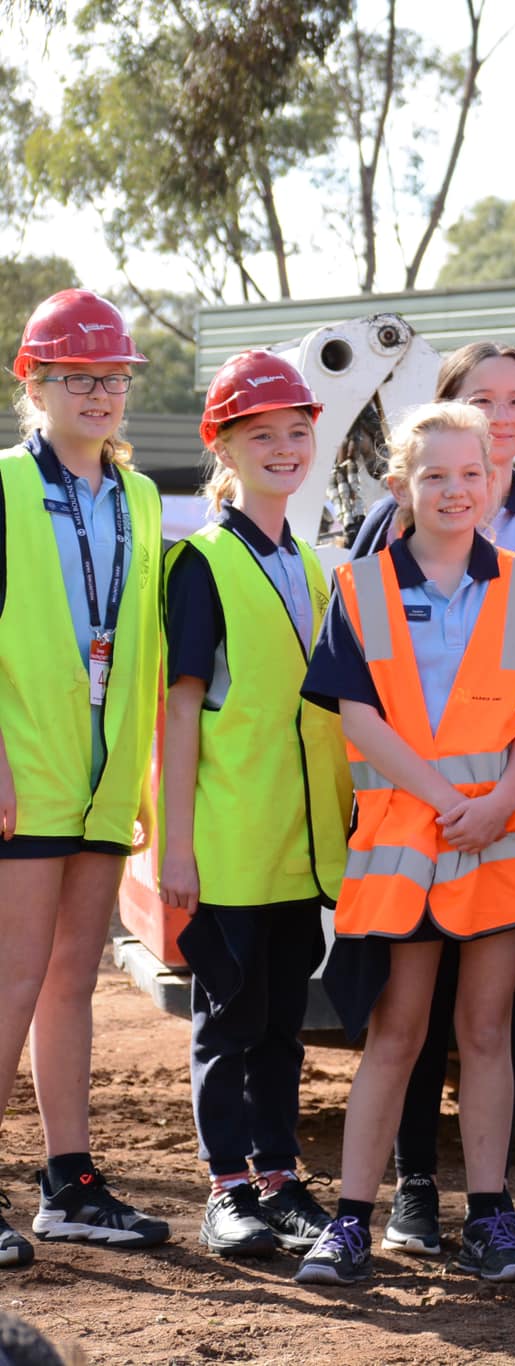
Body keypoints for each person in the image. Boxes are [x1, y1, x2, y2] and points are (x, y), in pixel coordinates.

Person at [293, 402, 515, 1287]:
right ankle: (351, 1219)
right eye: (434, 476)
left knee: (486, 1030)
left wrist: (497, 802)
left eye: (471, 474)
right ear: (401, 487)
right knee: (397, 1033)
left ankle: (491, 1217)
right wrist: (449, 800)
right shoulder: (360, 587)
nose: (455, 491)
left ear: (494, 480)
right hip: (408, 842)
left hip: (503, 837)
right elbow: (356, 716)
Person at [159, 352, 351, 1259]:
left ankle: (279, 1179)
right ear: (224, 449)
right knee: (227, 1021)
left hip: (296, 844)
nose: (285, 447)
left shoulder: (307, 562)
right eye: (261, 434)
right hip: (233, 839)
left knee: (280, 1025)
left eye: (297, 431)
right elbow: (182, 705)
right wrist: (177, 846)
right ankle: (226, 1188)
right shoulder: (202, 563)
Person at [0, 289, 170, 1263]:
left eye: (112, 378)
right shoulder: (3, 486)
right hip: (25, 768)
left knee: (73, 977)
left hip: (105, 782)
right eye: (80, 377)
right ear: (36, 383)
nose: (101, 392)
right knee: (14, 978)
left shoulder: (141, 498)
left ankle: (72, 1182)